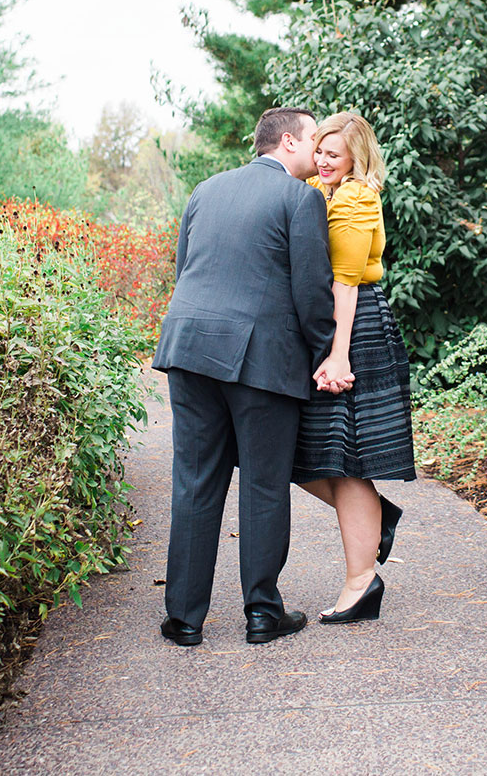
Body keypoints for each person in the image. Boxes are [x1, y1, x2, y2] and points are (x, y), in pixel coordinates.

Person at [151, 107, 347, 646]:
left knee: (195, 481)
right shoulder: (299, 198)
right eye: (314, 142)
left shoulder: (205, 189)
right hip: (262, 360)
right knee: (263, 483)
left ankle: (184, 619)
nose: (319, 152)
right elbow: (312, 290)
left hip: (189, 348)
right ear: (288, 142)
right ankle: (262, 612)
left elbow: (186, 267)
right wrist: (325, 355)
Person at [293, 111, 416, 623]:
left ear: (355, 158)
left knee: (344, 459)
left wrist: (338, 353)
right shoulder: (322, 193)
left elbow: (345, 282)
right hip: (333, 324)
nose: (321, 160)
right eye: (318, 150)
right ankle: (374, 518)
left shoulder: (357, 198)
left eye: (333, 154)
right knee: (306, 455)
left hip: (355, 325)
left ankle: (361, 581)